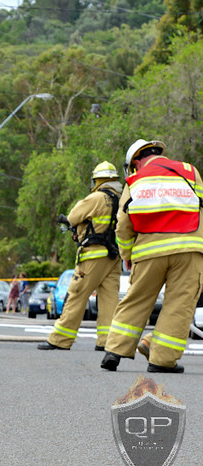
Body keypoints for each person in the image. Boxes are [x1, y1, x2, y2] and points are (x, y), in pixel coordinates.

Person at [101, 139, 203, 373]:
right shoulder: (190, 172)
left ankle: (114, 352)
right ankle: (162, 361)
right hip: (189, 251)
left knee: (136, 300)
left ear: (136, 162)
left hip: (149, 252)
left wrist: (127, 253)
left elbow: (123, 224)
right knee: (179, 306)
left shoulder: (135, 180)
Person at [39, 161, 123, 351]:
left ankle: (60, 339)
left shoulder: (96, 198)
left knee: (76, 295)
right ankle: (106, 341)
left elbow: (73, 217)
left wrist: (77, 228)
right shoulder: (121, 199)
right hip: (114, 258)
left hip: (92, 256)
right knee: (110, 300)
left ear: (97, 180)